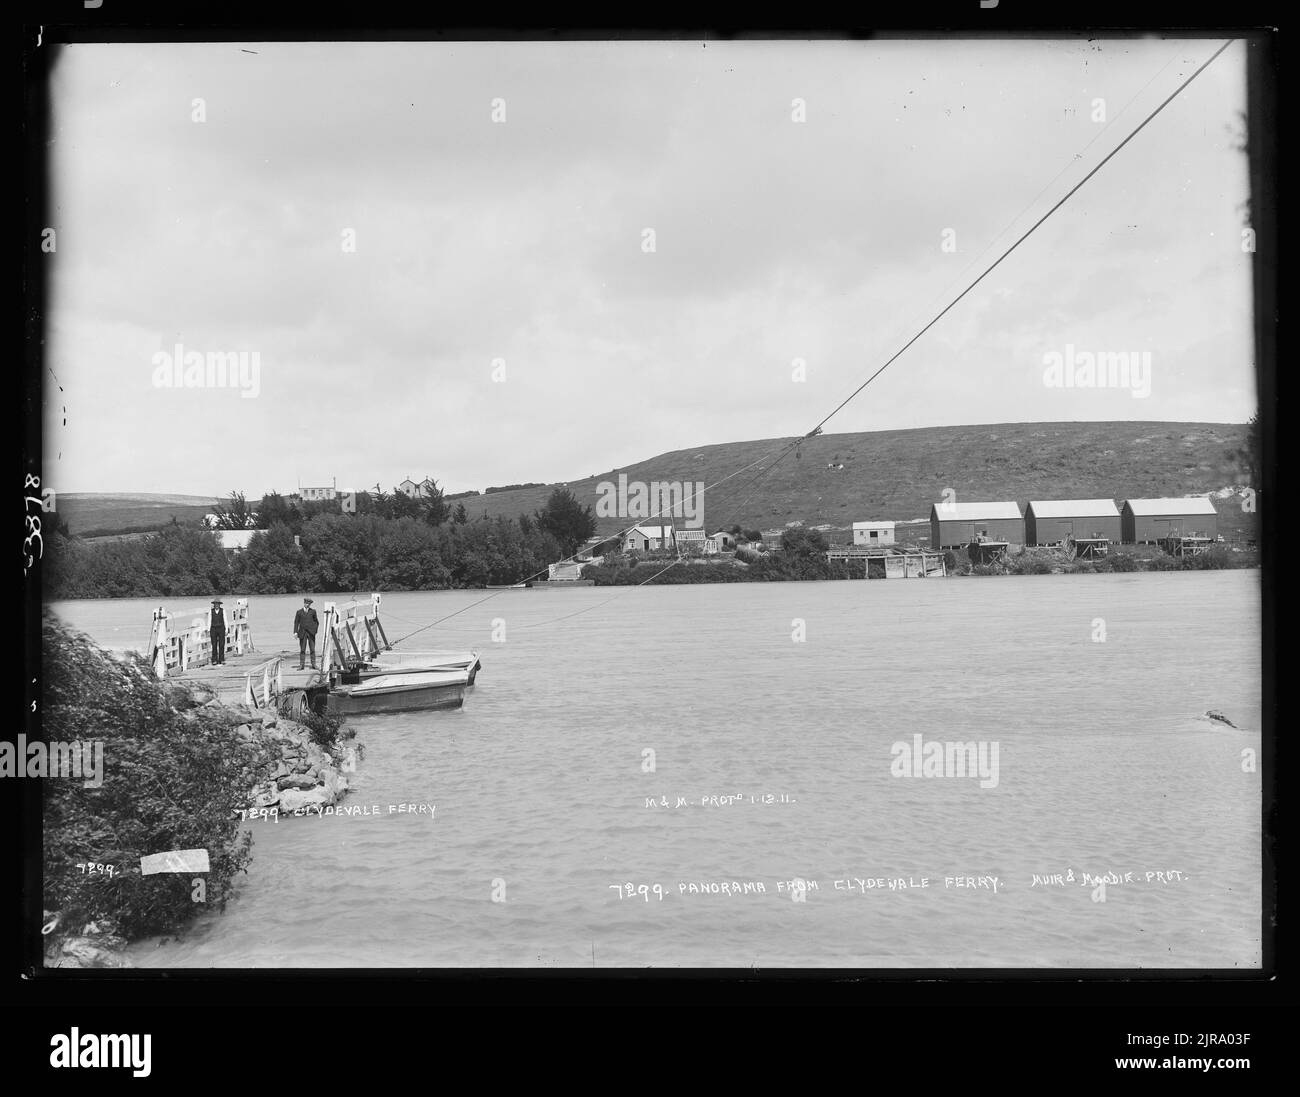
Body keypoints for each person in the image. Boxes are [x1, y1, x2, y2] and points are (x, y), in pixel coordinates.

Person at [293, 597, 319, 670]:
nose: (307, 604)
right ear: (304, 603)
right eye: (306, 603)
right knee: (302, 649)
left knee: (312, 649)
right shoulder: (299, 612)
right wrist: (295, 632)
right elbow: (296, 622)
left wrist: (315, 631)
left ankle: (314, 664)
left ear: (310, 604)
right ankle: (302, 665)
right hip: (302, 633)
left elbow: (316, 622)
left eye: (308, 603)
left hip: (311, 633)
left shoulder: (313, 611)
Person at [210, 598, 227, 665]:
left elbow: (225, 620)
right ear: (214, 604)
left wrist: (226, 628)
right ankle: (214, 660)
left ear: (220, 605)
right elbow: (209, 620)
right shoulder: (211, 611)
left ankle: (221, 659)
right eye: (215, 604)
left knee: (221, 644)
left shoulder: (223, 611)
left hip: (221, 628)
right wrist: (209, 630)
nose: (216, 605)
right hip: (213, 628)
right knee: (214, 644)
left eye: (218, 604)